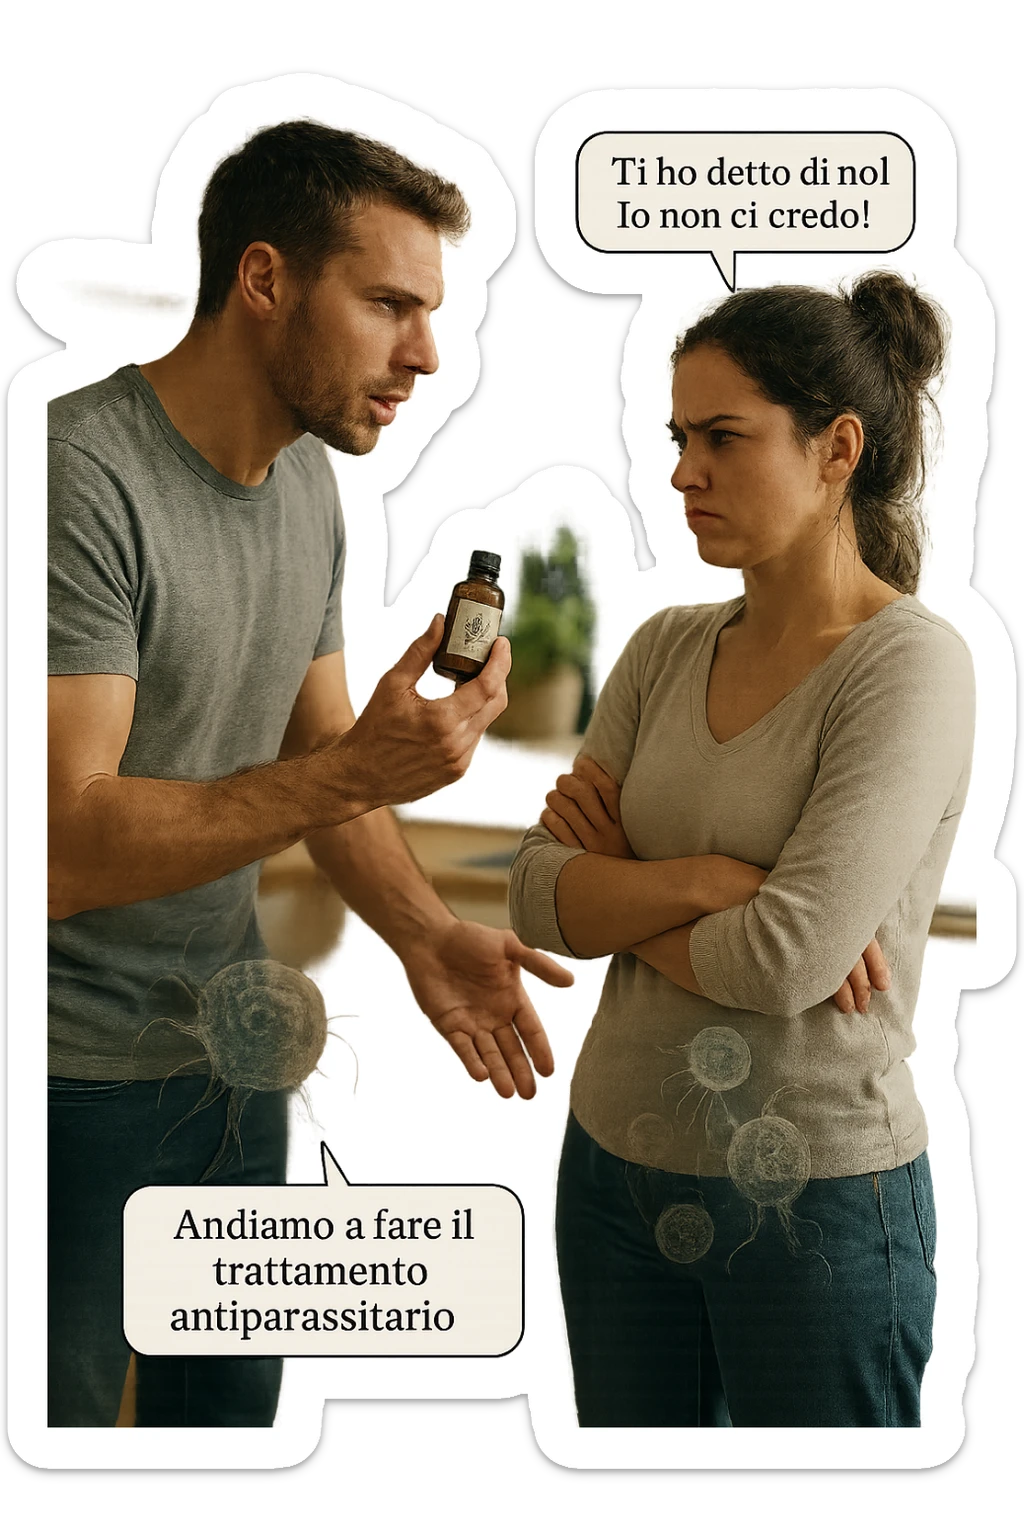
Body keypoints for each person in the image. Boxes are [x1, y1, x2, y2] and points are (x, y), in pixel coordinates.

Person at [47, 120, 572, 1428]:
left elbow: (311, 758)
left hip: (223, 1064)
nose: (427, 353)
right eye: (390, 303)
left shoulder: (304, 491)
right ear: (264, 279)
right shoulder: (75, 477)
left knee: (221, 1426)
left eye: (431, 312)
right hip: (59, 1080)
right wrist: (354, 773)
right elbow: (62, 847)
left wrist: (423, 936)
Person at [508, 273, 975, 1429]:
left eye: (723, 436)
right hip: (611, 1170)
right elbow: (532, 892)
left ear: (836, 450)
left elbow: (783, 963)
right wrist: (714, 887)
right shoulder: (666, 646)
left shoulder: (907, 668)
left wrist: (623, 888)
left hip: (810, 1203)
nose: (681, 471)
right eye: (678, 436)